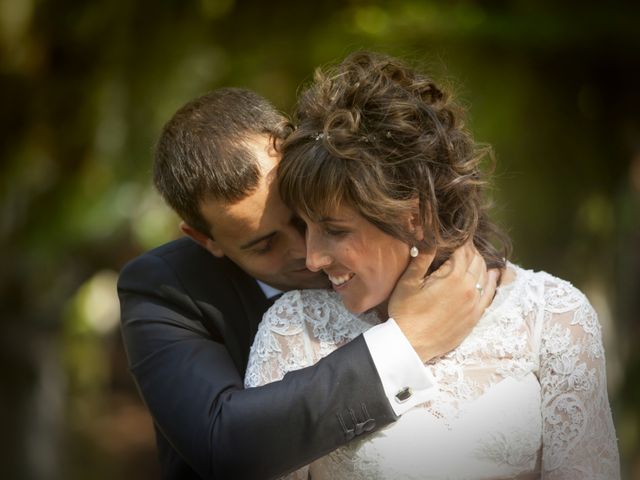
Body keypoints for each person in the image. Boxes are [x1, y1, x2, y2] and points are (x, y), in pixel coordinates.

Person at [244, 52, 620, 479]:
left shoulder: (554, 317)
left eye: (334, 229)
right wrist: (405, 341)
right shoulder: (294, 328)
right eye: (304, 225)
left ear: (414, 216)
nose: (312, 258)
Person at [117, 88, 498, 479]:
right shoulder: (164, 288)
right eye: (265, 244)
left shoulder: (390, 238)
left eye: (307, 217)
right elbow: (223, 446)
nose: (309, 252)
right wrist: (405, 343)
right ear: (205, 239)